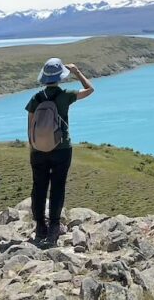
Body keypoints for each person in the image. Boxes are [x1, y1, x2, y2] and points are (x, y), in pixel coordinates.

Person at [25, 57, 94, 245]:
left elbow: (30, 125)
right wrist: (77, 72)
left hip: (38, 150)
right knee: (57, 187)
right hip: (62, 148)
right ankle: (54, 227)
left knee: (38, 187)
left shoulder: (36, 98)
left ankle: (40, 226)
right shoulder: (65, 95)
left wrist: (33, 147)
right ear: (59, 78)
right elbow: (90, 89)